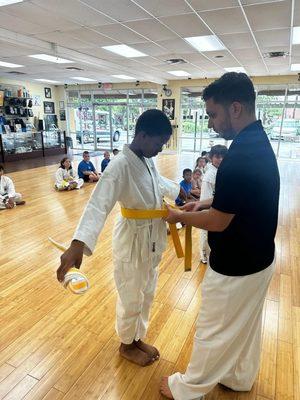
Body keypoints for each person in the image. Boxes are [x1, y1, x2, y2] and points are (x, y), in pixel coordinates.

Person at [160, 72, 280, 399]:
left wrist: (179, 215)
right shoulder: (255, 142)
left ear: (236, 108)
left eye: (214, 114)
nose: (211, 123)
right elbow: (239, 198)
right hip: (258, 259)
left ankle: (187, 389)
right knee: (245, 327)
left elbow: (219, 222)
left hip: (236, 265)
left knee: (212, 330)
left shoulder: (240, 156)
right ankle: (239, 376)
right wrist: (207, 200)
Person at [57, 109, 183, 367]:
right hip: (131, 239)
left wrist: (180, 192)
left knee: (147, 292)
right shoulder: (119, 165)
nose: (160, 149)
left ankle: (137, 338)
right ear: (143, 135)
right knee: (130, 294)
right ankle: (126, 344)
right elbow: (98, 203)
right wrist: (78, 244)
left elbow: (157, 182)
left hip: (151, 237)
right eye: (159, 143)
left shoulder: (147, 159)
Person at [199, 145, 228, 264]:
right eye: (217, 157)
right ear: (211, 157)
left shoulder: (221, 170)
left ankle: (211, 252)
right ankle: (203, 254)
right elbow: (206, 197)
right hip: (209, 209)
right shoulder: (210, 175)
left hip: (218, 207)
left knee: (214, 233)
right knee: (206, 233)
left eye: (223, 157)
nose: (220, 159)